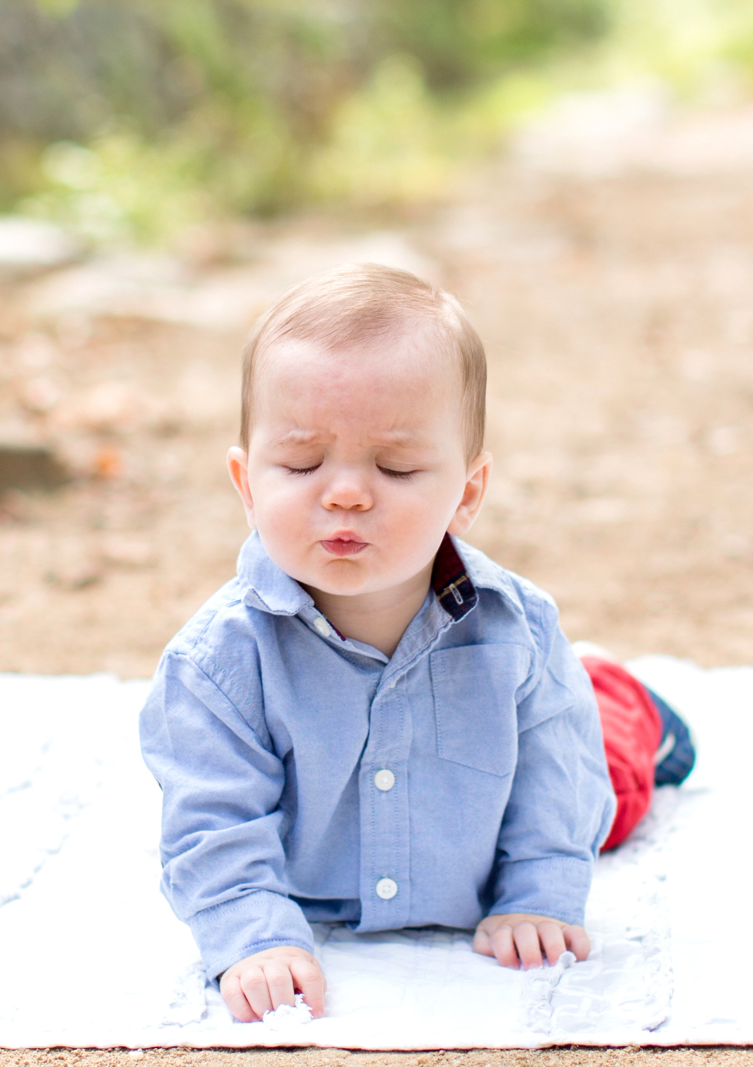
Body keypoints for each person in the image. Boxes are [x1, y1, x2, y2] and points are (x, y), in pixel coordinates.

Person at [138, 263, 696, 1023]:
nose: (344, 492)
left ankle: (620, 696)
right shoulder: (218, 663)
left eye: (395, 466)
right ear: (246, 484)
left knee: (617, 782)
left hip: (556, 757)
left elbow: (559, 783)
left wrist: (538, 894)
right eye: (301, 463)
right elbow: (211, 821)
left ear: (466, 494)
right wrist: (252, 937)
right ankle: (600, 684)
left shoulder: (517, 633)